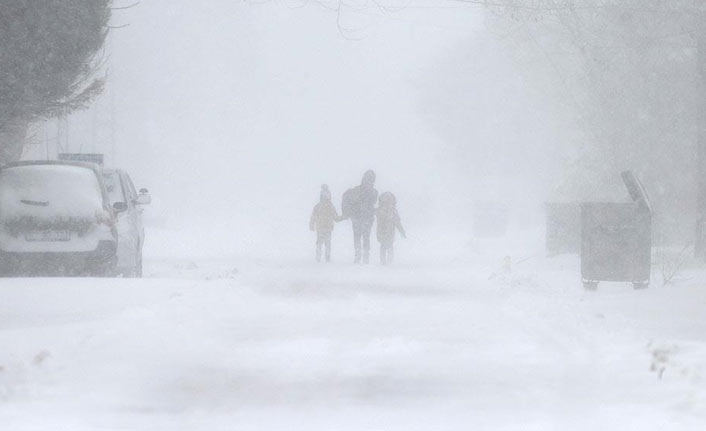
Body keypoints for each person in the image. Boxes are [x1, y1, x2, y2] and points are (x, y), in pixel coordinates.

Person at [342, 170, 378, 264]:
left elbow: (351, 200)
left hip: (357, 217)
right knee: (366, 237)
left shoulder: (356, 190)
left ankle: (358, 255)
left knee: (357, 236)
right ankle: (366, 256)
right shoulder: (374, 192)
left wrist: (349, 213)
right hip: (367, 218)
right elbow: (372, 202)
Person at [309, 184, 341, 262]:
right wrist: (342, 217)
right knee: (327, 243)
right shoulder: (330, 206)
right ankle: (327, 258)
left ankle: (318, 257)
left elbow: (313, 216)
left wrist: (311, 224)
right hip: (328, 227)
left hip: (320, 226)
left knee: (319, 242)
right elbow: (335, 217)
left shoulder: (318, 206)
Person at [375, 192, 406, 265]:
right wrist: (401, 231)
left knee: (384, 246)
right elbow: (397, 222)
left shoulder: (380, 210)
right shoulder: (392, 211)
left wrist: (401, 231)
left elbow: (397, 222)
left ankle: (385, 261)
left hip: (383, 231)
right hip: (388, 231)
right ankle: (388, 261)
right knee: (388, 246)